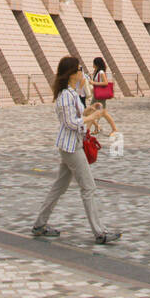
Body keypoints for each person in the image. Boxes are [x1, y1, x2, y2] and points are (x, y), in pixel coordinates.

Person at [32, 56, 120, 244]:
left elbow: (77, 115)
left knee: (59, 187)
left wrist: (89, 111)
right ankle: (99, 232)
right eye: (79, 69)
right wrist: (93, 116)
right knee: (88, 187)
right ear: (72, 73)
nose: (82, 72)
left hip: (70, 146)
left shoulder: (71, 93)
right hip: (71, 148)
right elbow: (71, 123)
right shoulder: (65, 96)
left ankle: (39, 224)